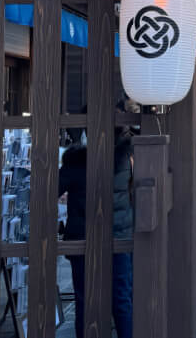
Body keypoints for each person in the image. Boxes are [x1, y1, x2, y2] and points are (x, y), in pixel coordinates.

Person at [58, 116, 134, 338]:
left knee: (85, 299)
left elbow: (51, 189)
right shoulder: (126, 158)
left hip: (83, 237)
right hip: (119, 236)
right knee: (122, 298)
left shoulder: (75, 162)